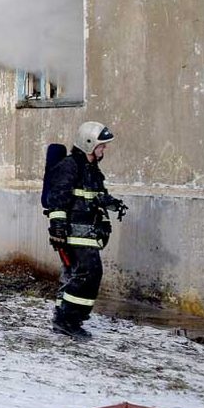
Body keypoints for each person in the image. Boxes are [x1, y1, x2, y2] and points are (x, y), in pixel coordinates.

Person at [43, 121, 127, 340]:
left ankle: (64, 318)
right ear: (89, 144)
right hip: (73, 231)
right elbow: (57, 199)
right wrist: (58, 229)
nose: (104, 149)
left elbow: (94, 195)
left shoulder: (92, 169)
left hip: (88, 230)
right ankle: (68, 320)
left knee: (73, 275)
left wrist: (112, 203)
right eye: (102, 145)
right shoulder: (69, 166)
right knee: (90, 272)